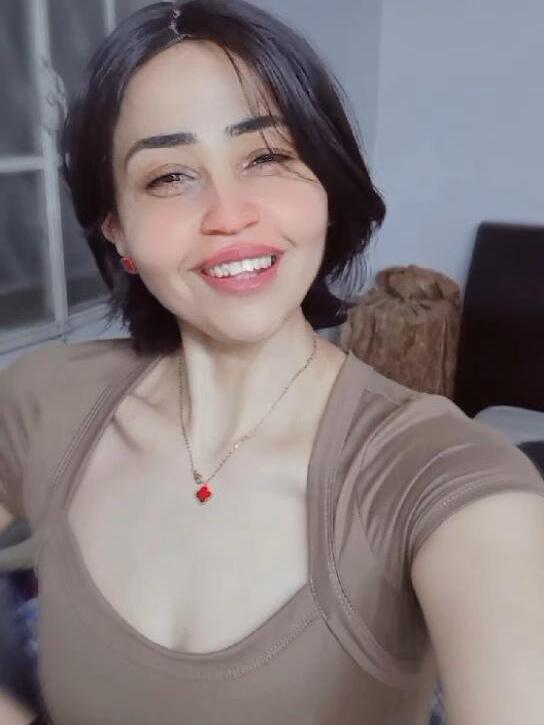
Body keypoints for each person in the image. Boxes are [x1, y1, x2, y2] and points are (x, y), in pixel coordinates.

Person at [1, 1, 544, 723]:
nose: (229, 215)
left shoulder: (435, 469)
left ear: (326, 187)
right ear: (118, 230)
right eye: (169, 176)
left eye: (266, 157)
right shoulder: (44, 398)